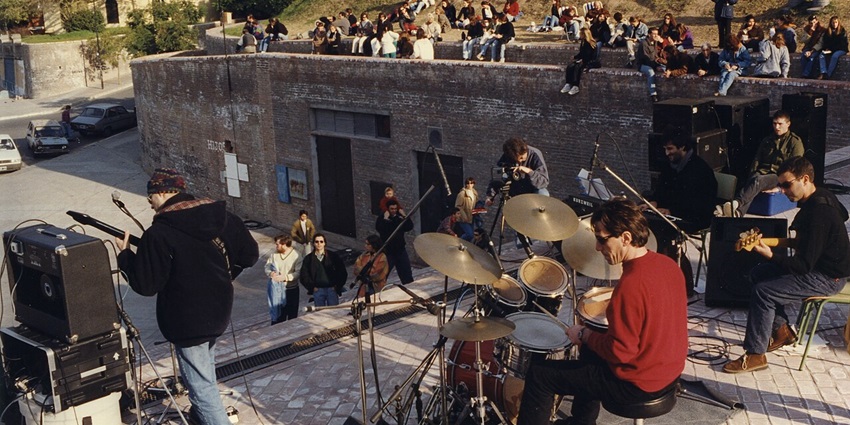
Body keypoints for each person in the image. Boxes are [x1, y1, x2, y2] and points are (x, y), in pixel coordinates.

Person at [517, 198, 687, 425]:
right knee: (591, 349)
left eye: (602, 239)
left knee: (540, 375)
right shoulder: (669, 265)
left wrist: (584, 335)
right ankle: (582, 421)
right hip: (669, 373)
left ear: (626, 238)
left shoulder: (631, 285)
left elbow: (620, 353)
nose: (597, 247)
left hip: (636, 384)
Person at [116, 168, 259, 425]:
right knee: (204, 375)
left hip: (186, 322)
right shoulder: (223, 217)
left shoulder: (158, 233)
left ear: (160, 193)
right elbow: (250, 254)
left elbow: (146, 285)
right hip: (218, 312)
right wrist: (225, 276)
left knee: (201, 388)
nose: (150, 205)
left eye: (151, 199)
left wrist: (126, 256)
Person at [722, 156, 850, 373]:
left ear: (806, 179)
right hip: (818, 266)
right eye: (780, 185)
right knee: (758, 274)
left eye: (787, 184)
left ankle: (755, 355)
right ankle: (782, 331)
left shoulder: (820, 212)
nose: (782, 190)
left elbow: (802, 265)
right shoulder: (822, 196)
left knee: (765, 292)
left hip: (828, 277)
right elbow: (844, 214)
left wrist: (771, 254)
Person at [641, 127, 718, 295]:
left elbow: (698, 203)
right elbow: (661, 190)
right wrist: (653, 202)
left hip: (695, 216)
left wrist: (669, 209)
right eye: (665, 149)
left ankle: (681, 285)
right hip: (674, 213)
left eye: (670, 149)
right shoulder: (671, 165)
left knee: (662, 233)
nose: (667, 153)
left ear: (682, 147)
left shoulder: (699, 170)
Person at [718, 110, 804, 218]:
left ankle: (737, 203)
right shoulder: (767, 140)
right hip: (763, 173)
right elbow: (757, 160)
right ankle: (738, 213)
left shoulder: (794, 142)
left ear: (788, 124)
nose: (777, 127)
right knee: (753, 180)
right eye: (774, 123)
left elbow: (795, 167)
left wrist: (781, 187)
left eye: (780, 124)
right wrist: (752, 175)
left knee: (758, 181)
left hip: (779, 176)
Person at [488, 136, 550, 201]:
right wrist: (490, 196)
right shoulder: (507, 156)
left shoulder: (535, 155)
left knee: (543, 193)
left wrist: (529, 172)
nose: (520, 161)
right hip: (514, 191)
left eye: (521, 158)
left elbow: (544, 182)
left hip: (532, 190)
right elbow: (497, 177)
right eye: (516, 160)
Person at [300, 233, 348, 306]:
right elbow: (304, 275)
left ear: (324, 243)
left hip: (331, 289)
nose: (319, 244)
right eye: (317, 242)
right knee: (319, 312)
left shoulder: (333, 256)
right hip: (318, 290)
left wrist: (337, 286)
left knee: (333, 312)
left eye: (321, 241)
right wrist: (312, 287)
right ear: (313, 243)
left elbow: (342, 271)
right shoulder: (308, 259)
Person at [265, 234, 302, 325]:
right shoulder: (274, 255)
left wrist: (285, 277)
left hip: (291, 290)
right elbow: (267, 266)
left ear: (284, 244)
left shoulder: (296, 256)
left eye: (278, 244)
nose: (276, 246)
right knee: (277, 317)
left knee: (292, 317)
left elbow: (298, 273)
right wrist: (271, 273)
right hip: (277, 291)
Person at [376, 199, 415, 284]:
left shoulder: (399, 218)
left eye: (395, 209)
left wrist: (405, 216)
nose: (394, 211)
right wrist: (386, 219)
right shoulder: (382, 218)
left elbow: (409, 227)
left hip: (400, 250)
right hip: (388, 252)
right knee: (383, 274)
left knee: (406, 273)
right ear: (388, 209)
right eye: (392, 209)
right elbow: (381, 229)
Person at [560, 27, 598, 95]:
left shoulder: (590, 43)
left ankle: (575, 85)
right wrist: (575, 57)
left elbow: (590, 55)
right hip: (583, 59)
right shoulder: (583, 42)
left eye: (581, 33)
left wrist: (582, 60)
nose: (579, 35)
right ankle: (568, 83)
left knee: (577, 68)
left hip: (589, 61)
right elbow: (581, 53)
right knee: (570, 66)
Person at [635, 27, 665, 103]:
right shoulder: (644, 44)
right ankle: (653, 94)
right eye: (654, 34)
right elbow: (646, 58)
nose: (656, 36)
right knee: (650, 72)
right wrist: (656, 67)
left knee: (665, 69)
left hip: (653, 62)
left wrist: (661, 41)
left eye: (657, 34)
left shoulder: (655, 42)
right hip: (643, 64)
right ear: (649, 34)